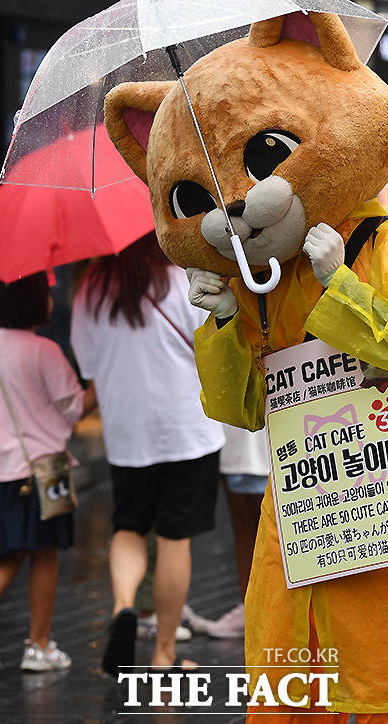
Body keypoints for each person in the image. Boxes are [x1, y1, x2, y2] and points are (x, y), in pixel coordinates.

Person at [70, 232, 225, 675]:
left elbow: (90, 369)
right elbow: (211, 347)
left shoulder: (92, 289)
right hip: (187, 429)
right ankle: (163, 654)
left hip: (127, 432)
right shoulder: (183, 281)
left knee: (129, 526)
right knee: (175, 537)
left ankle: (123, 606)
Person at [0, 273, 96, 671]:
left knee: (3, 550)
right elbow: (73, 408)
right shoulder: (44, 350)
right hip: (45, 471)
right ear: (37, 303)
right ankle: (39, 645)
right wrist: (99, 386)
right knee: (45, 554)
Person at [207, 426, 269, 639]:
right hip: (232, 430)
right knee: (243, 524)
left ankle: (287, 611)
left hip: (284, 425)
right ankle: (249, 607)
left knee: (280, 532)